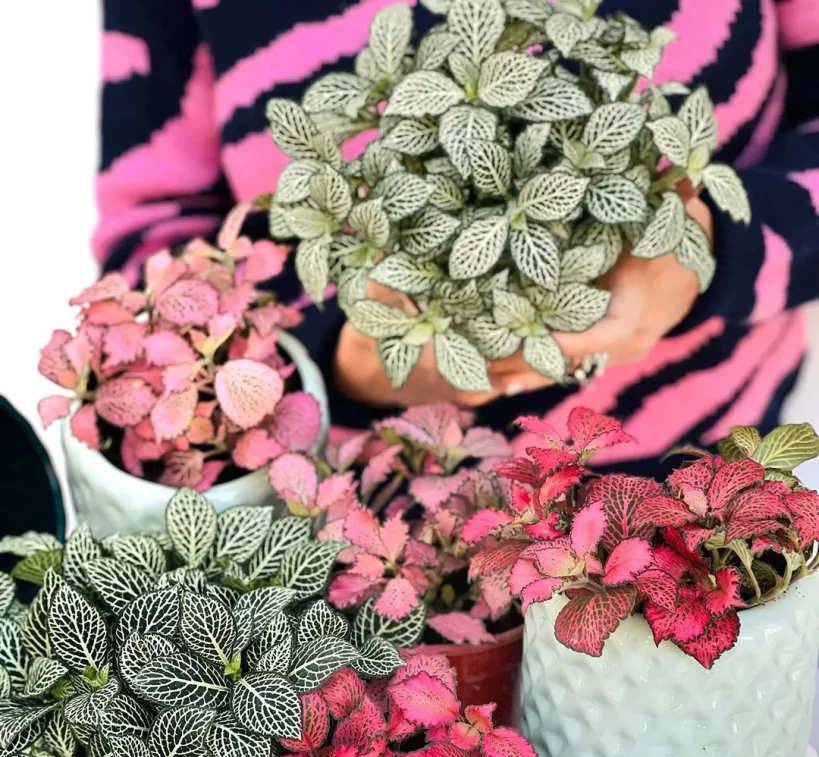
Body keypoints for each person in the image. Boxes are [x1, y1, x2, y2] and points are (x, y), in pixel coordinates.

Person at [97, 0, 819, 477]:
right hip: (375, 525)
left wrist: (714, 248)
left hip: (698, 487)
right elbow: (154, 255)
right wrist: (337, 357)